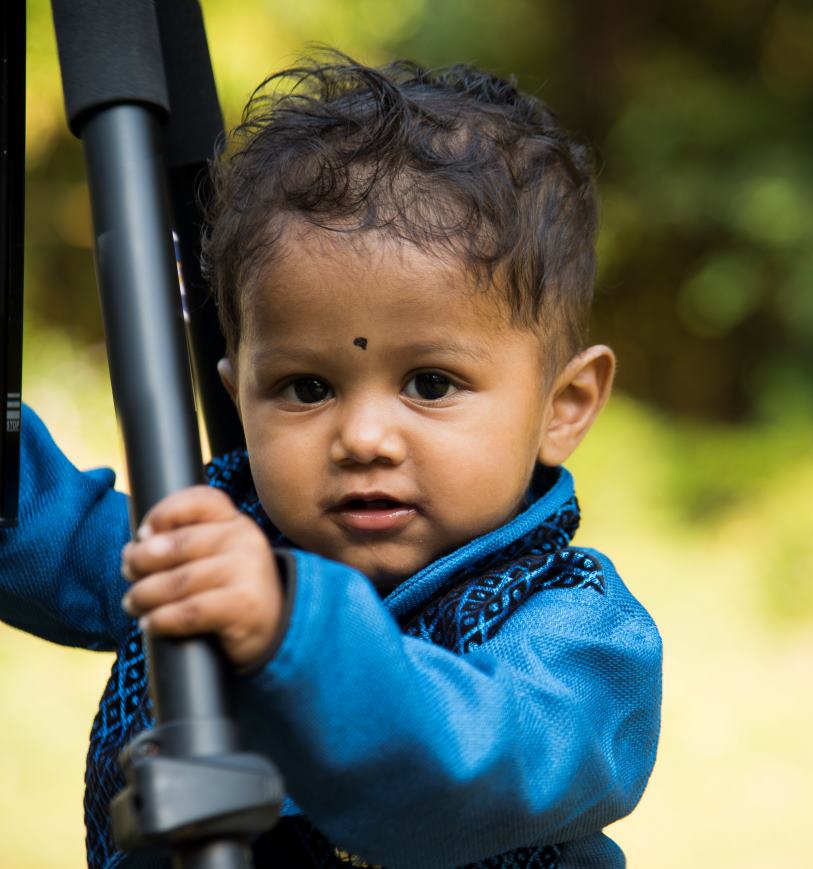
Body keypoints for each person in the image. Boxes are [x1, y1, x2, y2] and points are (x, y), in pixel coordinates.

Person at [1, 52, 661, 868]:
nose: (364, 437)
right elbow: (47, 537)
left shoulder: (579, 639)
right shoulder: (216, 534)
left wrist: (291, 629)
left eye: (431, 382)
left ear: (563, 406)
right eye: (306, 386)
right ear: (237, 391)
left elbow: (474, 767)